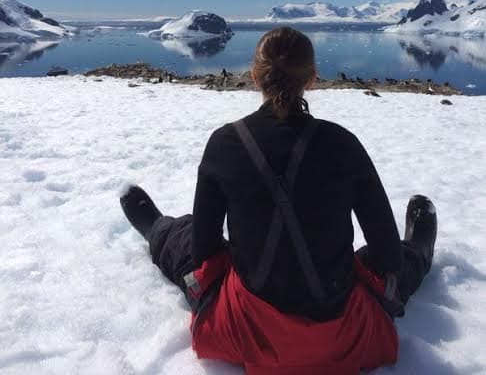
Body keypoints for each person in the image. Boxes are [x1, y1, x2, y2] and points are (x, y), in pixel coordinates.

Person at [120, 27, 437, 374]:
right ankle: (420, 246)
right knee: (395, 267)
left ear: (255, 77)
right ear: (312, 79)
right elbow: (387, 255)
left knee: (186, 239)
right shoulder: (342, 144)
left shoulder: (225, 143)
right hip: (340, 333)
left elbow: (203, 253)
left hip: (246, 329)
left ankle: (156, 228)